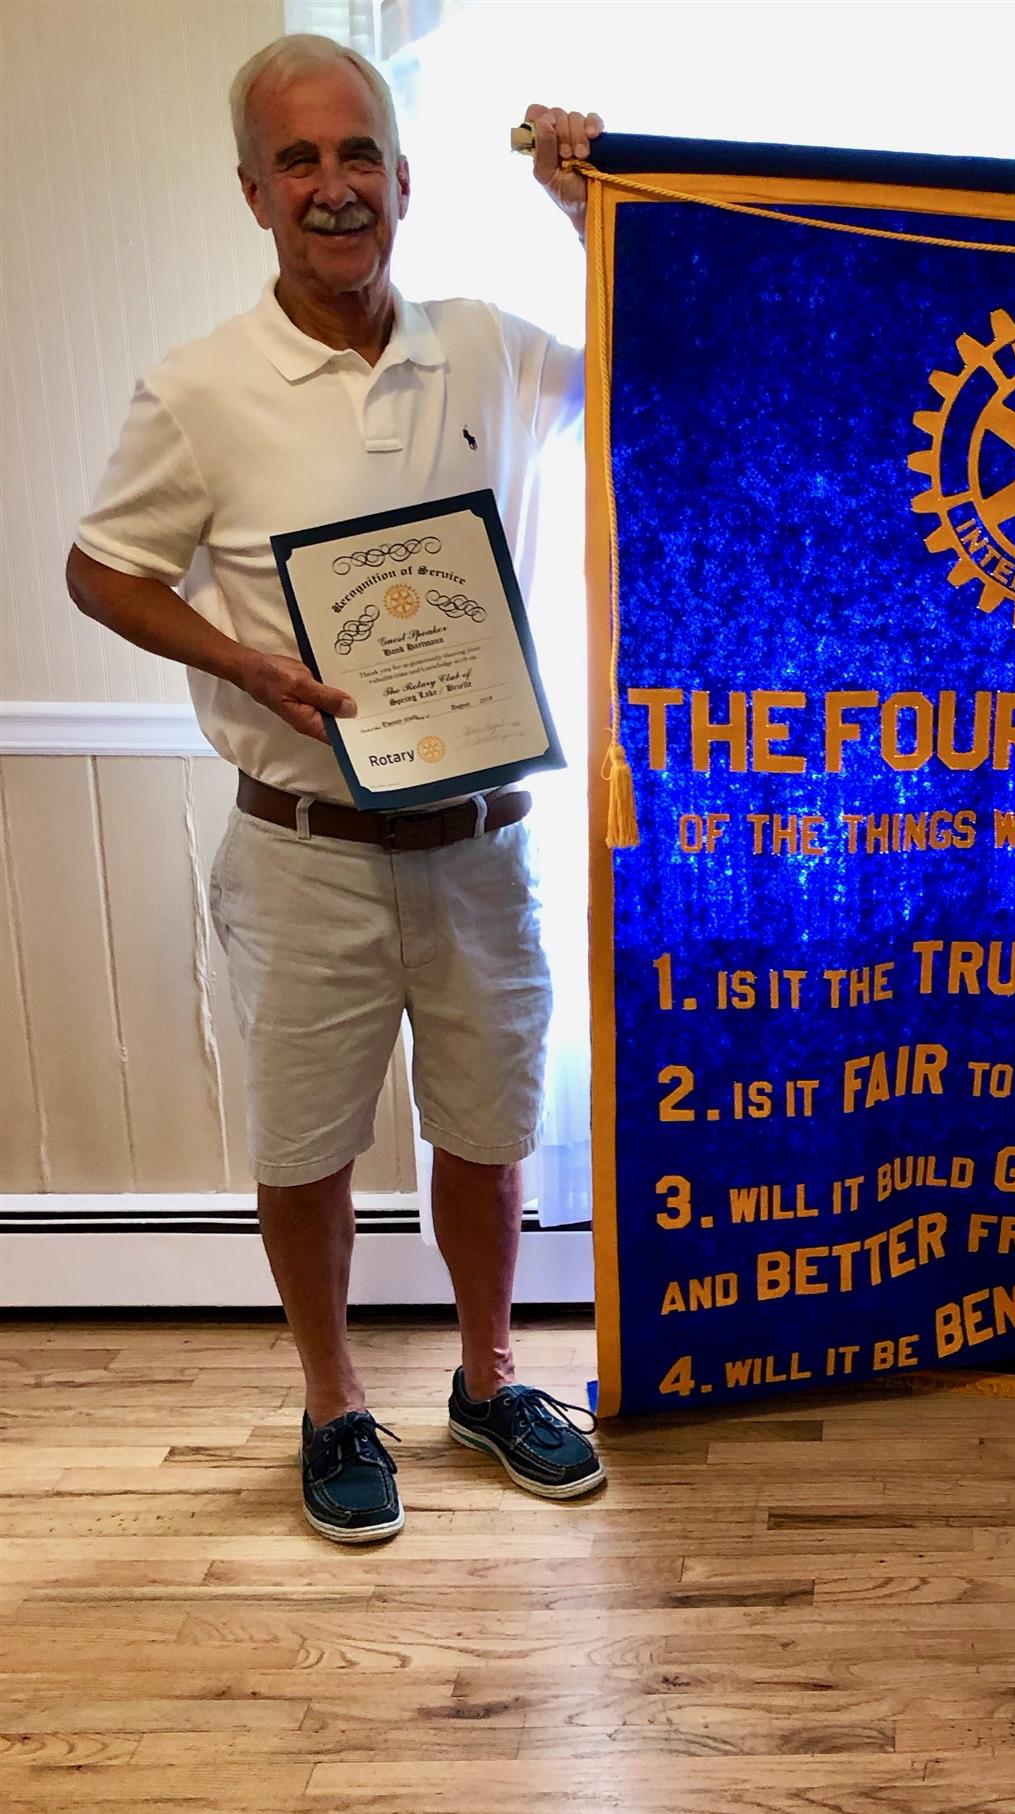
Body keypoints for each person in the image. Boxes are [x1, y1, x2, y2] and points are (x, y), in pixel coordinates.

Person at [66, 34, 611, 1543]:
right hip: (304, 845)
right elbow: (101, 569)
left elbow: (670, 366)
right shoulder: (199, 388)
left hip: (482, 837)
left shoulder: (489, 348)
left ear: (405, 177)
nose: (332, 185)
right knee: (305, 1147)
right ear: (253, 192)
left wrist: (590, 208)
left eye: (357, 152)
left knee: (489, 1127)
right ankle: (333, 1403)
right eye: (296, 160)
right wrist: (245, 664)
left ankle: (491, 1379)